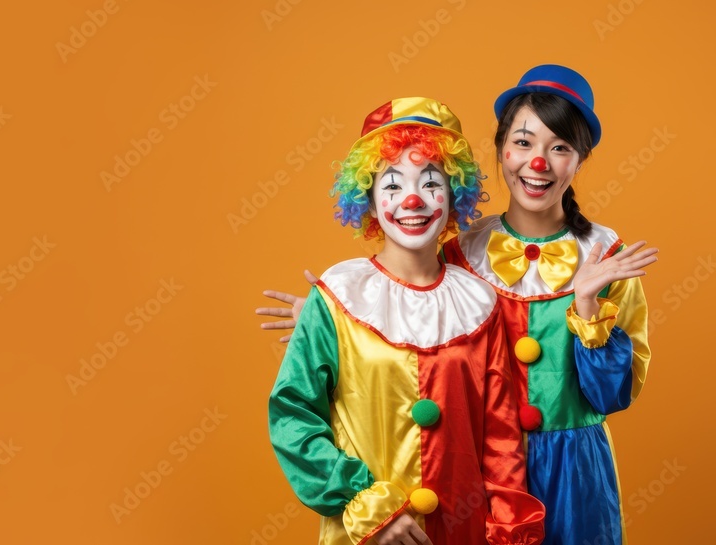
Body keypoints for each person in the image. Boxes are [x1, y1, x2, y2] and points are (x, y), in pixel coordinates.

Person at [259, 66, 656, 545]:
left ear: (579, 160)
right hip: (472, 474)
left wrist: (589, 307)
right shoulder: (459, 252)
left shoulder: (606, 257)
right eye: (524, 142)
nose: (538, 163)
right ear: (500, 148)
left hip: (573, 472)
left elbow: (614, 395)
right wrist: (339, 326)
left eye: (561, 148)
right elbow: (412, 314)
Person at [268, 97, 545, 545]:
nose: (412, 200)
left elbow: (501, 437)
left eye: (431, 183)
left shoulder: (479, 301)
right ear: (370, 203)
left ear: (453, 197)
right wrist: (365, 505)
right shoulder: (338, 296)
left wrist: (508, 527)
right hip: (367, 534)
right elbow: (293, 416)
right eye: (392, 186)